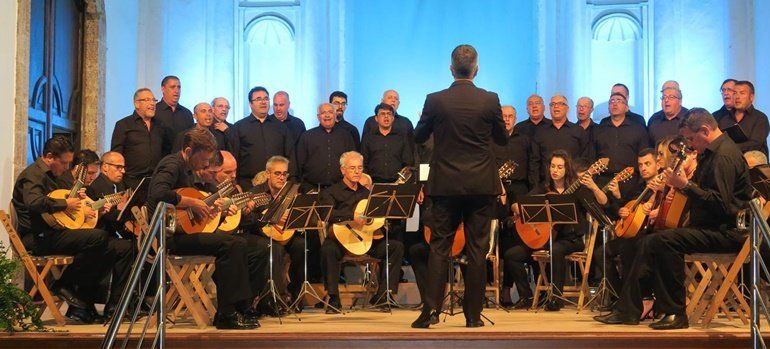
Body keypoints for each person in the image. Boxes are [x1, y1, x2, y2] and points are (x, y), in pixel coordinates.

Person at [595, 108, 751, 330]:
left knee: (663, 240)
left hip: (727, 232)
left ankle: (675, 312)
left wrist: (685, 185)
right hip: (713, 227)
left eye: (690, 138)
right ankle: (629, 310)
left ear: (705, 130)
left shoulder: (724, 156)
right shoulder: (711, 153)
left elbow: (722, 205)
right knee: (642, 240)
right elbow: (705, 193)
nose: (689, 144)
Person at [411, 44, 507, 328]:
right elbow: (502, 139)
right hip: (480, 185)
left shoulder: (435, 100)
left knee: (439, 248)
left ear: (451, 69)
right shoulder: (490, 99)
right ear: (476, 69)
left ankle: (430, 313)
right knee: (478, 250)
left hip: (445, 185)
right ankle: (473, 317)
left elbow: (419, 137)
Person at [145, 127, 259, 329]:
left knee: (239, 243)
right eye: (204, 159)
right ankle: (227, 313)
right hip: (165, 237)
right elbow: (157, 193)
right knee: (230, 244)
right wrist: (192, 202)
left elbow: (186, 217)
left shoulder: (187, 170)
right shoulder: (172, 164)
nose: (207, 164)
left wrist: (210, 211)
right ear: (189, 152)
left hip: (179, 232)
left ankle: (241, 306)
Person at [12, 136, 131, 323]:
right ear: (50, 157)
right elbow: (34, 203)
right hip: (37, 238)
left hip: (53, 231)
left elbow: (63, 206)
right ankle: (63, 284)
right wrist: (65, 203)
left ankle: (98, 304)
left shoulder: (53, 176)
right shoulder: (33, 175)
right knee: (98, 237)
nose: (67, 168)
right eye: (64, 162)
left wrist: (80, 200)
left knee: (115, 247)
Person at [319, 151, 405, 313]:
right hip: (341, 240)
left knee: (395, 246)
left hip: (365, 240)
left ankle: (382, 295)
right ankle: (333, 297)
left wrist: (384, 220)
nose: (357, 171)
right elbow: (326, 214)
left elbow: (378, 218)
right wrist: (352, 216)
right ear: (343, 170)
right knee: (327, 249)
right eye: (352, 168)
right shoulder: (331, 192)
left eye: (359, 168)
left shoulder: (368, 194)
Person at [229, 86, 297, 190]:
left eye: (266, 99)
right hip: (247, 185)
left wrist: (291, 182)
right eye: (258, 99)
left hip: (277, 185)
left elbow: (290, 155)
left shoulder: (280, 126)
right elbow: (234, 157)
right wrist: (235, 183)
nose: (263, 102)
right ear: (250, 104)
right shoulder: (239, 127)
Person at [111, 88, 171, 190]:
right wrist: (120, 186)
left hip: (155, 182)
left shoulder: (161, 125)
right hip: (130, 182)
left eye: (154, 100)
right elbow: (116, 156)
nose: (152, 103)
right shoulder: (123, 125)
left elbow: (166, 153)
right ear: (137, 104)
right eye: (147, 100)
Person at [717, 80, 769, 155]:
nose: (737, 97)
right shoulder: (723, 118)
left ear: (751, 97)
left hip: (753, 163)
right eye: (735, 93)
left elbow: (755, 144)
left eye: (742, 93)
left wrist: (728, 148)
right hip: (728, 162)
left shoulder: (760, 118)